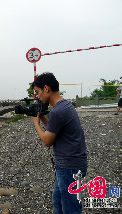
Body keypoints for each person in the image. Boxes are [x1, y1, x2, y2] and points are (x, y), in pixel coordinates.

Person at [29, 72, 88, 213]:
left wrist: (35, 123)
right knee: (58, 201)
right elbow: (54, 129)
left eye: (37, 92)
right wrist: (43, 118)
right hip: (71, 163)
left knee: (70, 208)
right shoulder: (64, 105)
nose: (37, 96)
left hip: (69, 166)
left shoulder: (58, 111)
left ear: (46, 89)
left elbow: (47, 141)